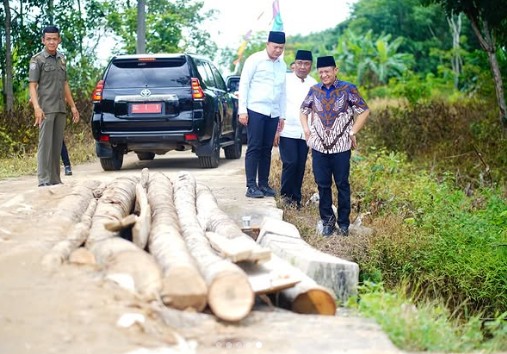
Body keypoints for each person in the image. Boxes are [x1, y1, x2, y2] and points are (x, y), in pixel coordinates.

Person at [300, 56, 370, 237]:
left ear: (335, 70)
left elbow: (364, 110)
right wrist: (307, 129)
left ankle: (344, 223)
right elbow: (303, 110)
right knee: (322, 185)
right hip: (319, 148)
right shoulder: (314, 90)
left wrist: (352, 132)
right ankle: (328, 222)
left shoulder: (348, 89)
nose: (324, 75)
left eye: (327, 71)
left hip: (341, 147)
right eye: (321, 72)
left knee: (342, 184)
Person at [238, 31, 287, 198]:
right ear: (268, 44)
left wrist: (282, 115)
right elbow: (244, 84)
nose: (278, 50)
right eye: (275, 47)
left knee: (267, 149)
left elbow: (282, 92)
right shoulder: (254, 59)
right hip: (256, 110)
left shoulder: (282, 65)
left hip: (273, 112)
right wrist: (242, 110)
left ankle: (263, 184)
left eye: (281, 48)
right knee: (254, 147)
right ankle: (251, 186)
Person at [29, 25, 79, 187]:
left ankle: (55, 179)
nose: (51, 42)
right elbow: (32, 85)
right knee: (45, 145)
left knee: (56, 145)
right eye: (48, 39)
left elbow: (65, 84)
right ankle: (43, 179)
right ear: (43, 40)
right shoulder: (37, 60)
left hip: (60, 108)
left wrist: (72, 106)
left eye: (54, 39)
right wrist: (37, 107)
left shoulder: (61, 59)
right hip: (45, 109)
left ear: (59, 40)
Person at [274, 50, 317, 208]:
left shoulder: (314, 84)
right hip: (287, 129)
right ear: (294, 65)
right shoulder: (285, 80)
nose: (302, 67)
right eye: (299, 63)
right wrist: (276, 130)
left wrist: (313, 132)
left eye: (306, 64)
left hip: (305, 131)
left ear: (310, 66)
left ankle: (296, 199)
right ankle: (285, 197)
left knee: (300, 165)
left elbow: (314, 109)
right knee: (290, 163)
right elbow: (277, 103)